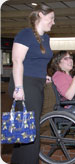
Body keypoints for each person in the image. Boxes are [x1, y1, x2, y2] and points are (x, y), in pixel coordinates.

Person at [7, 4, 55, 164]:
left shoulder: (46, 38)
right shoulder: (25, 34)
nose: (53, 23)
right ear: (41, 15)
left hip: (37, 84)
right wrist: (19, 88)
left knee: (26, 128)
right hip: (25, 84)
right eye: (51, 18)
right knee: (31, 129)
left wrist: (44, 75)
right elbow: (17, 60)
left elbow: (38, 61)